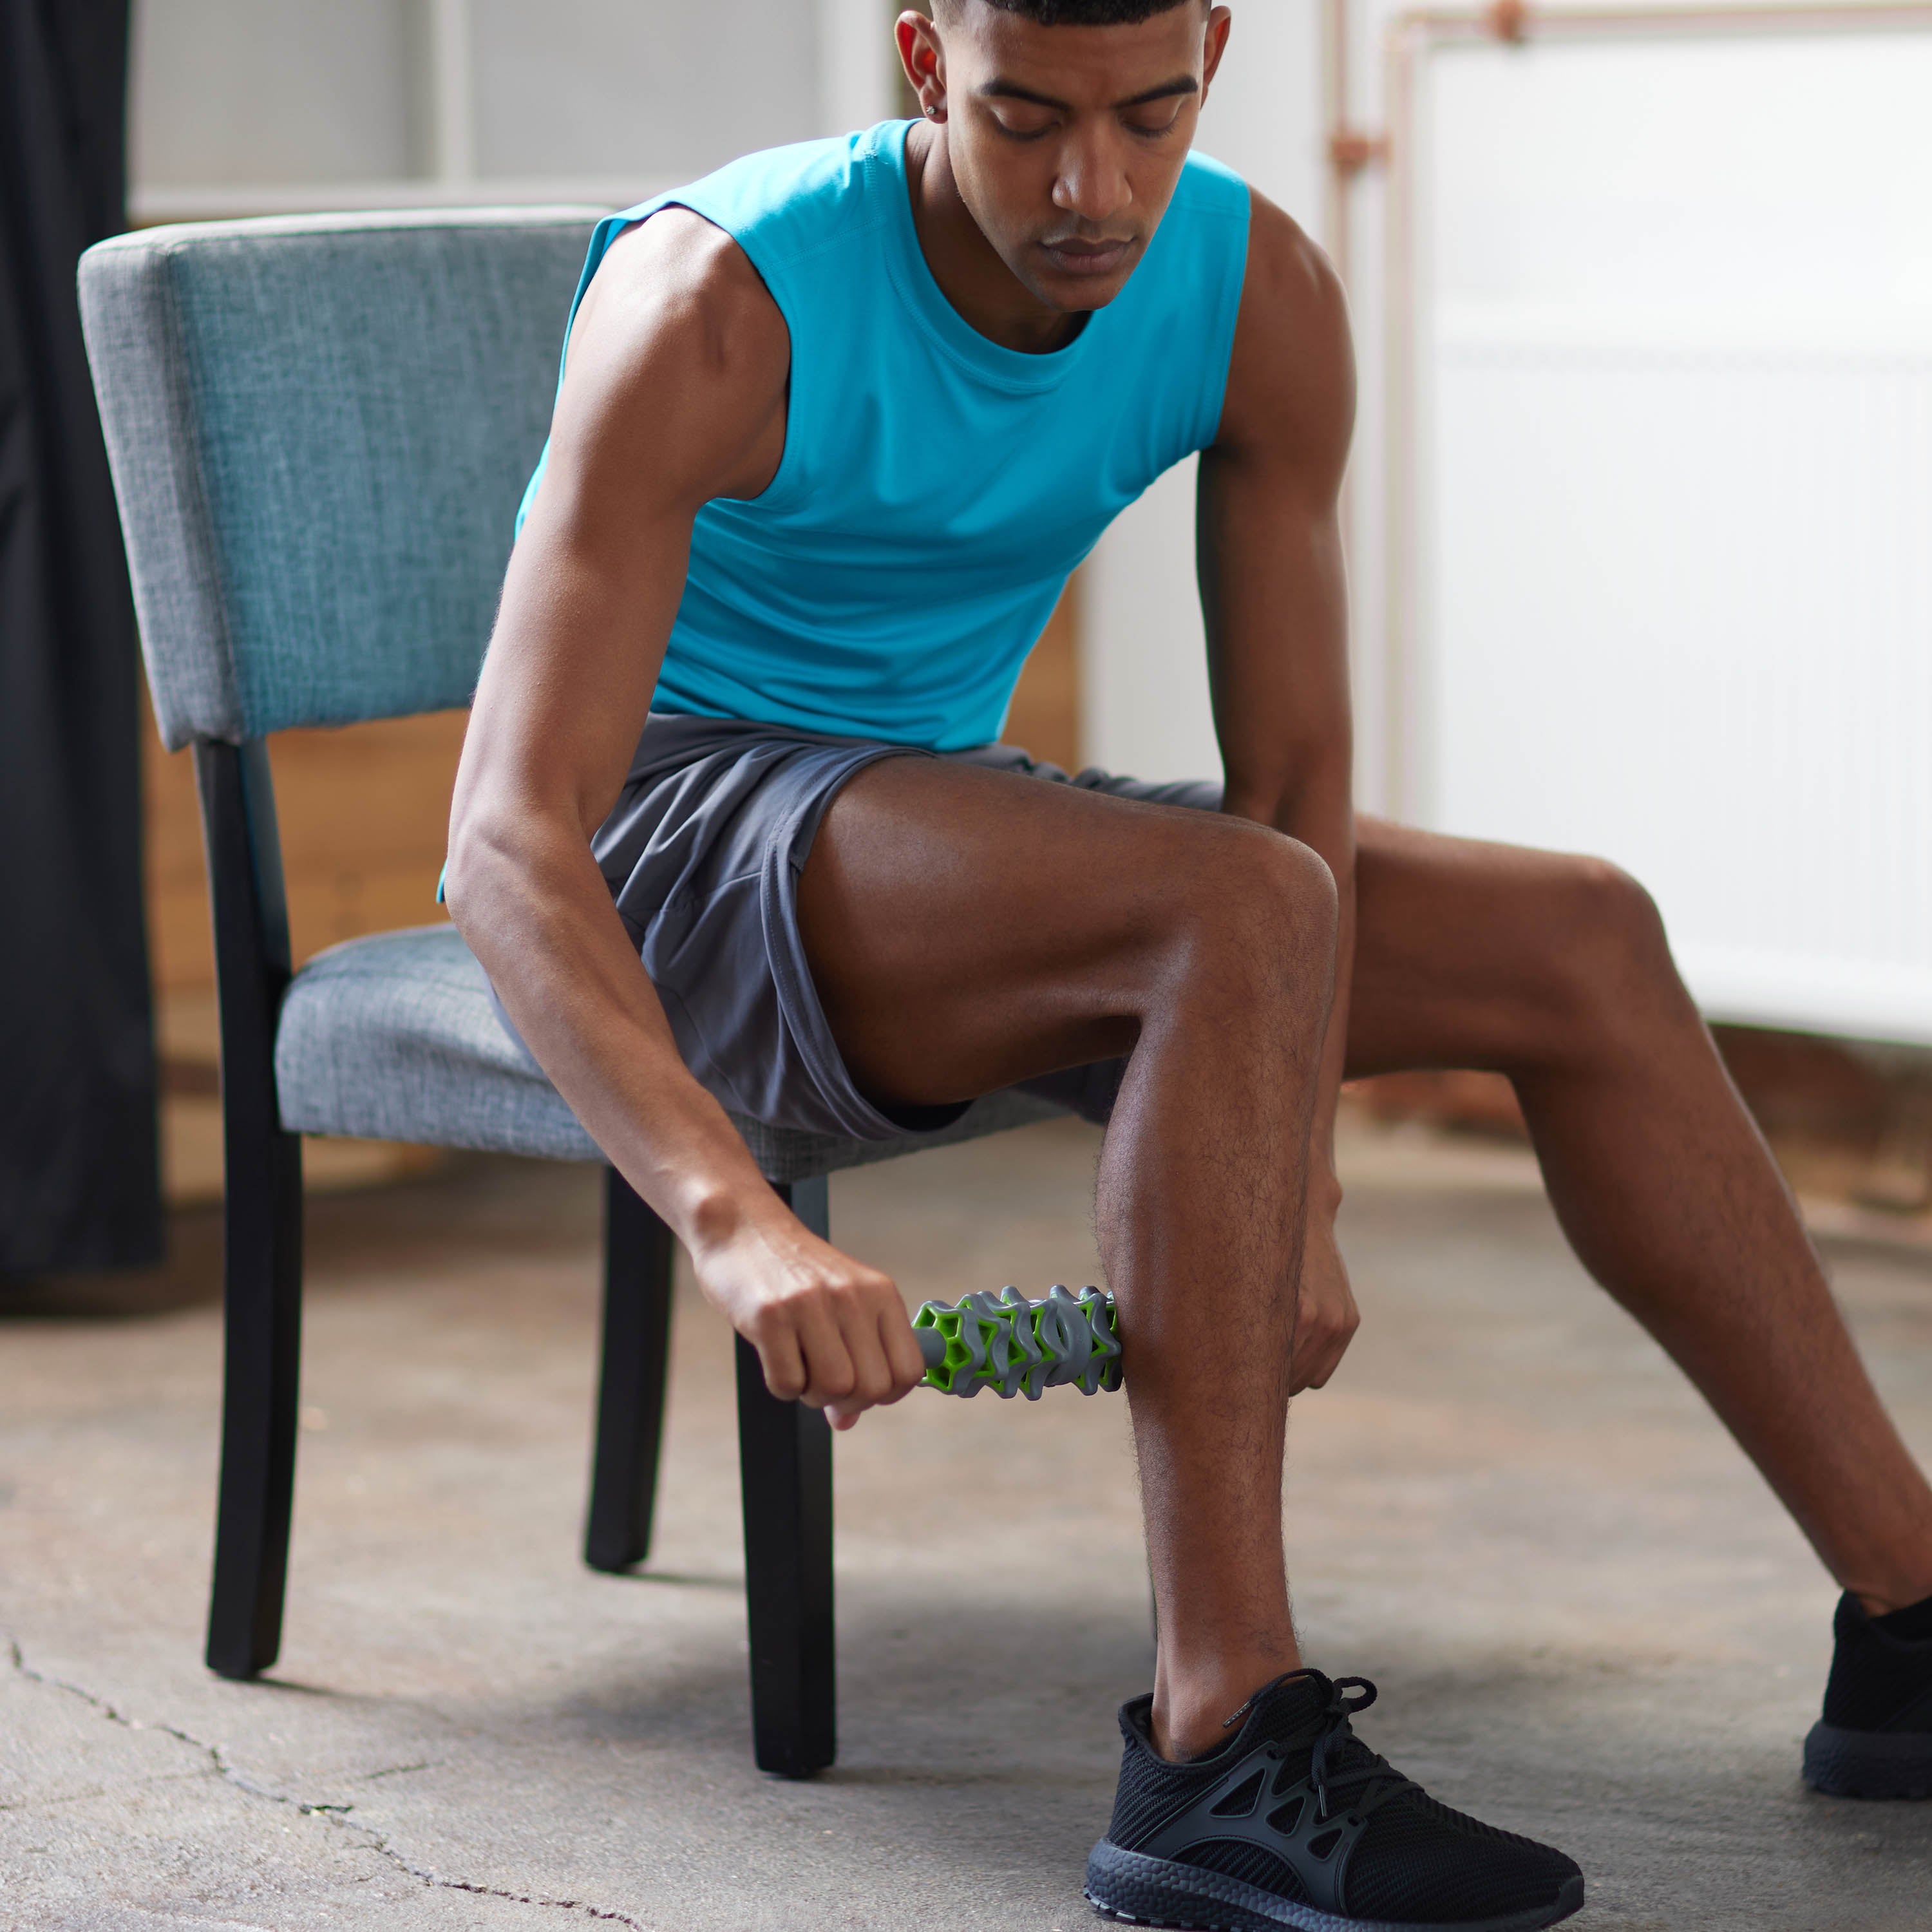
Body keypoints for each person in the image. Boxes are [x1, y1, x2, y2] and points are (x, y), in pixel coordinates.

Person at [443, 0, 1932, 1922]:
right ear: (923, 60)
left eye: (1152, 116)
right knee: (1237, 903)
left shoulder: (1253, 292)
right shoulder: (717, 302)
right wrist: (736, 1225)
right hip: (677, 848)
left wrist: (1296, 1168)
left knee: (1576, 936)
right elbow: (507, 835)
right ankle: (1219, 1740)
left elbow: (1296, 784)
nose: (1095, 189)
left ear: (1213, 52)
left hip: (936, 819)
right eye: (1026, 120)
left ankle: (1912, 1618)